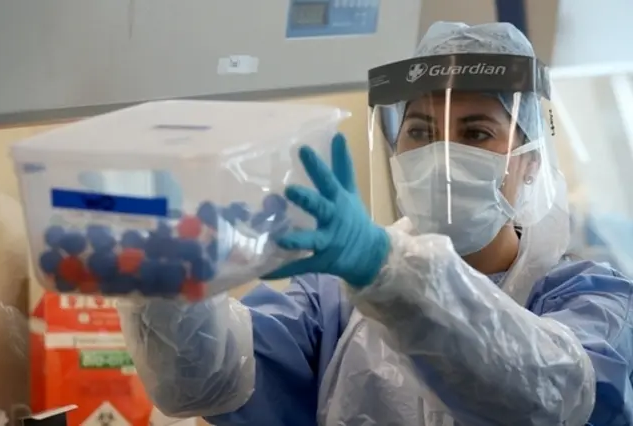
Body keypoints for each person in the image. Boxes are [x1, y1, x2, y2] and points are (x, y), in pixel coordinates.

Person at [119, 22, 633, 426]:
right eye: (419, 131)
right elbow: (202, 386)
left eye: (475, 133)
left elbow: (549, 400)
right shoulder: (332, 298)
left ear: (529, 161)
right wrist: (171, 288)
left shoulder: (595, 300)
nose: (440, 155)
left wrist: (385, 270)